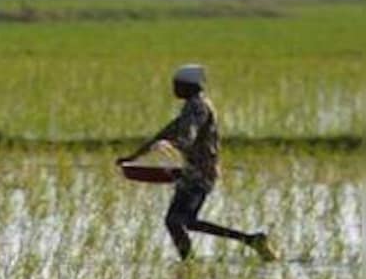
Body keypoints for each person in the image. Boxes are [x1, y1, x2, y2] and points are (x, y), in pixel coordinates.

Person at [118, 63, 278, 262]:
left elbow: (187, 137)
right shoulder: (191, 106)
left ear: (189, 86)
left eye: (177, 85)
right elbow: (167, 132)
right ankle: (198, 258)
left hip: (201, 173)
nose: (174, 89)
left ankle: (237, 245)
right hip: (192, 171)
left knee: (178, 220)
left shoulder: (197, 107)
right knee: (178, 221)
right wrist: (134, 156)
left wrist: (167, 146)